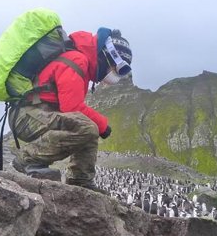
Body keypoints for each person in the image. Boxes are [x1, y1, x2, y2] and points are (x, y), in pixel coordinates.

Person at [9, 27, 132, 191]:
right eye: (116, 69)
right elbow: (72, 108)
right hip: (26, 117)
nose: (114, 76)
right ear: (108, 56)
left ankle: (80, 179)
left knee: (87, 126)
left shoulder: (83, 63)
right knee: (87, 127)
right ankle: (28, 158)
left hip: (35, 114)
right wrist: (103, 124)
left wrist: (99, 125)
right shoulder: (76, 60)